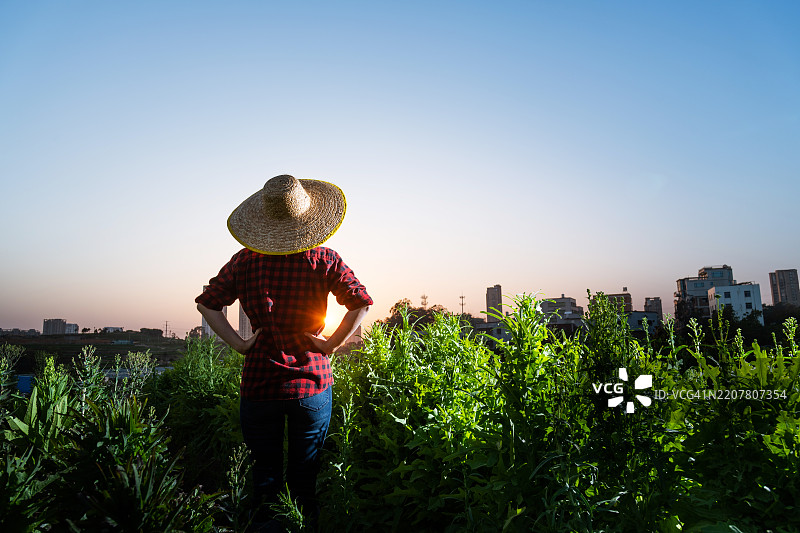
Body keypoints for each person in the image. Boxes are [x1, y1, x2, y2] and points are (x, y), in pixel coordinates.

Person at [195, 174, 371, 527]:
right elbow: (361, 304)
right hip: (312, 382)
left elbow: (208, 305)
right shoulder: (324, 258)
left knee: (265, 479)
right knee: (305, 478)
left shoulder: (245, 260)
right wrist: (331, 345)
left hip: (259, 385)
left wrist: (241, 344)